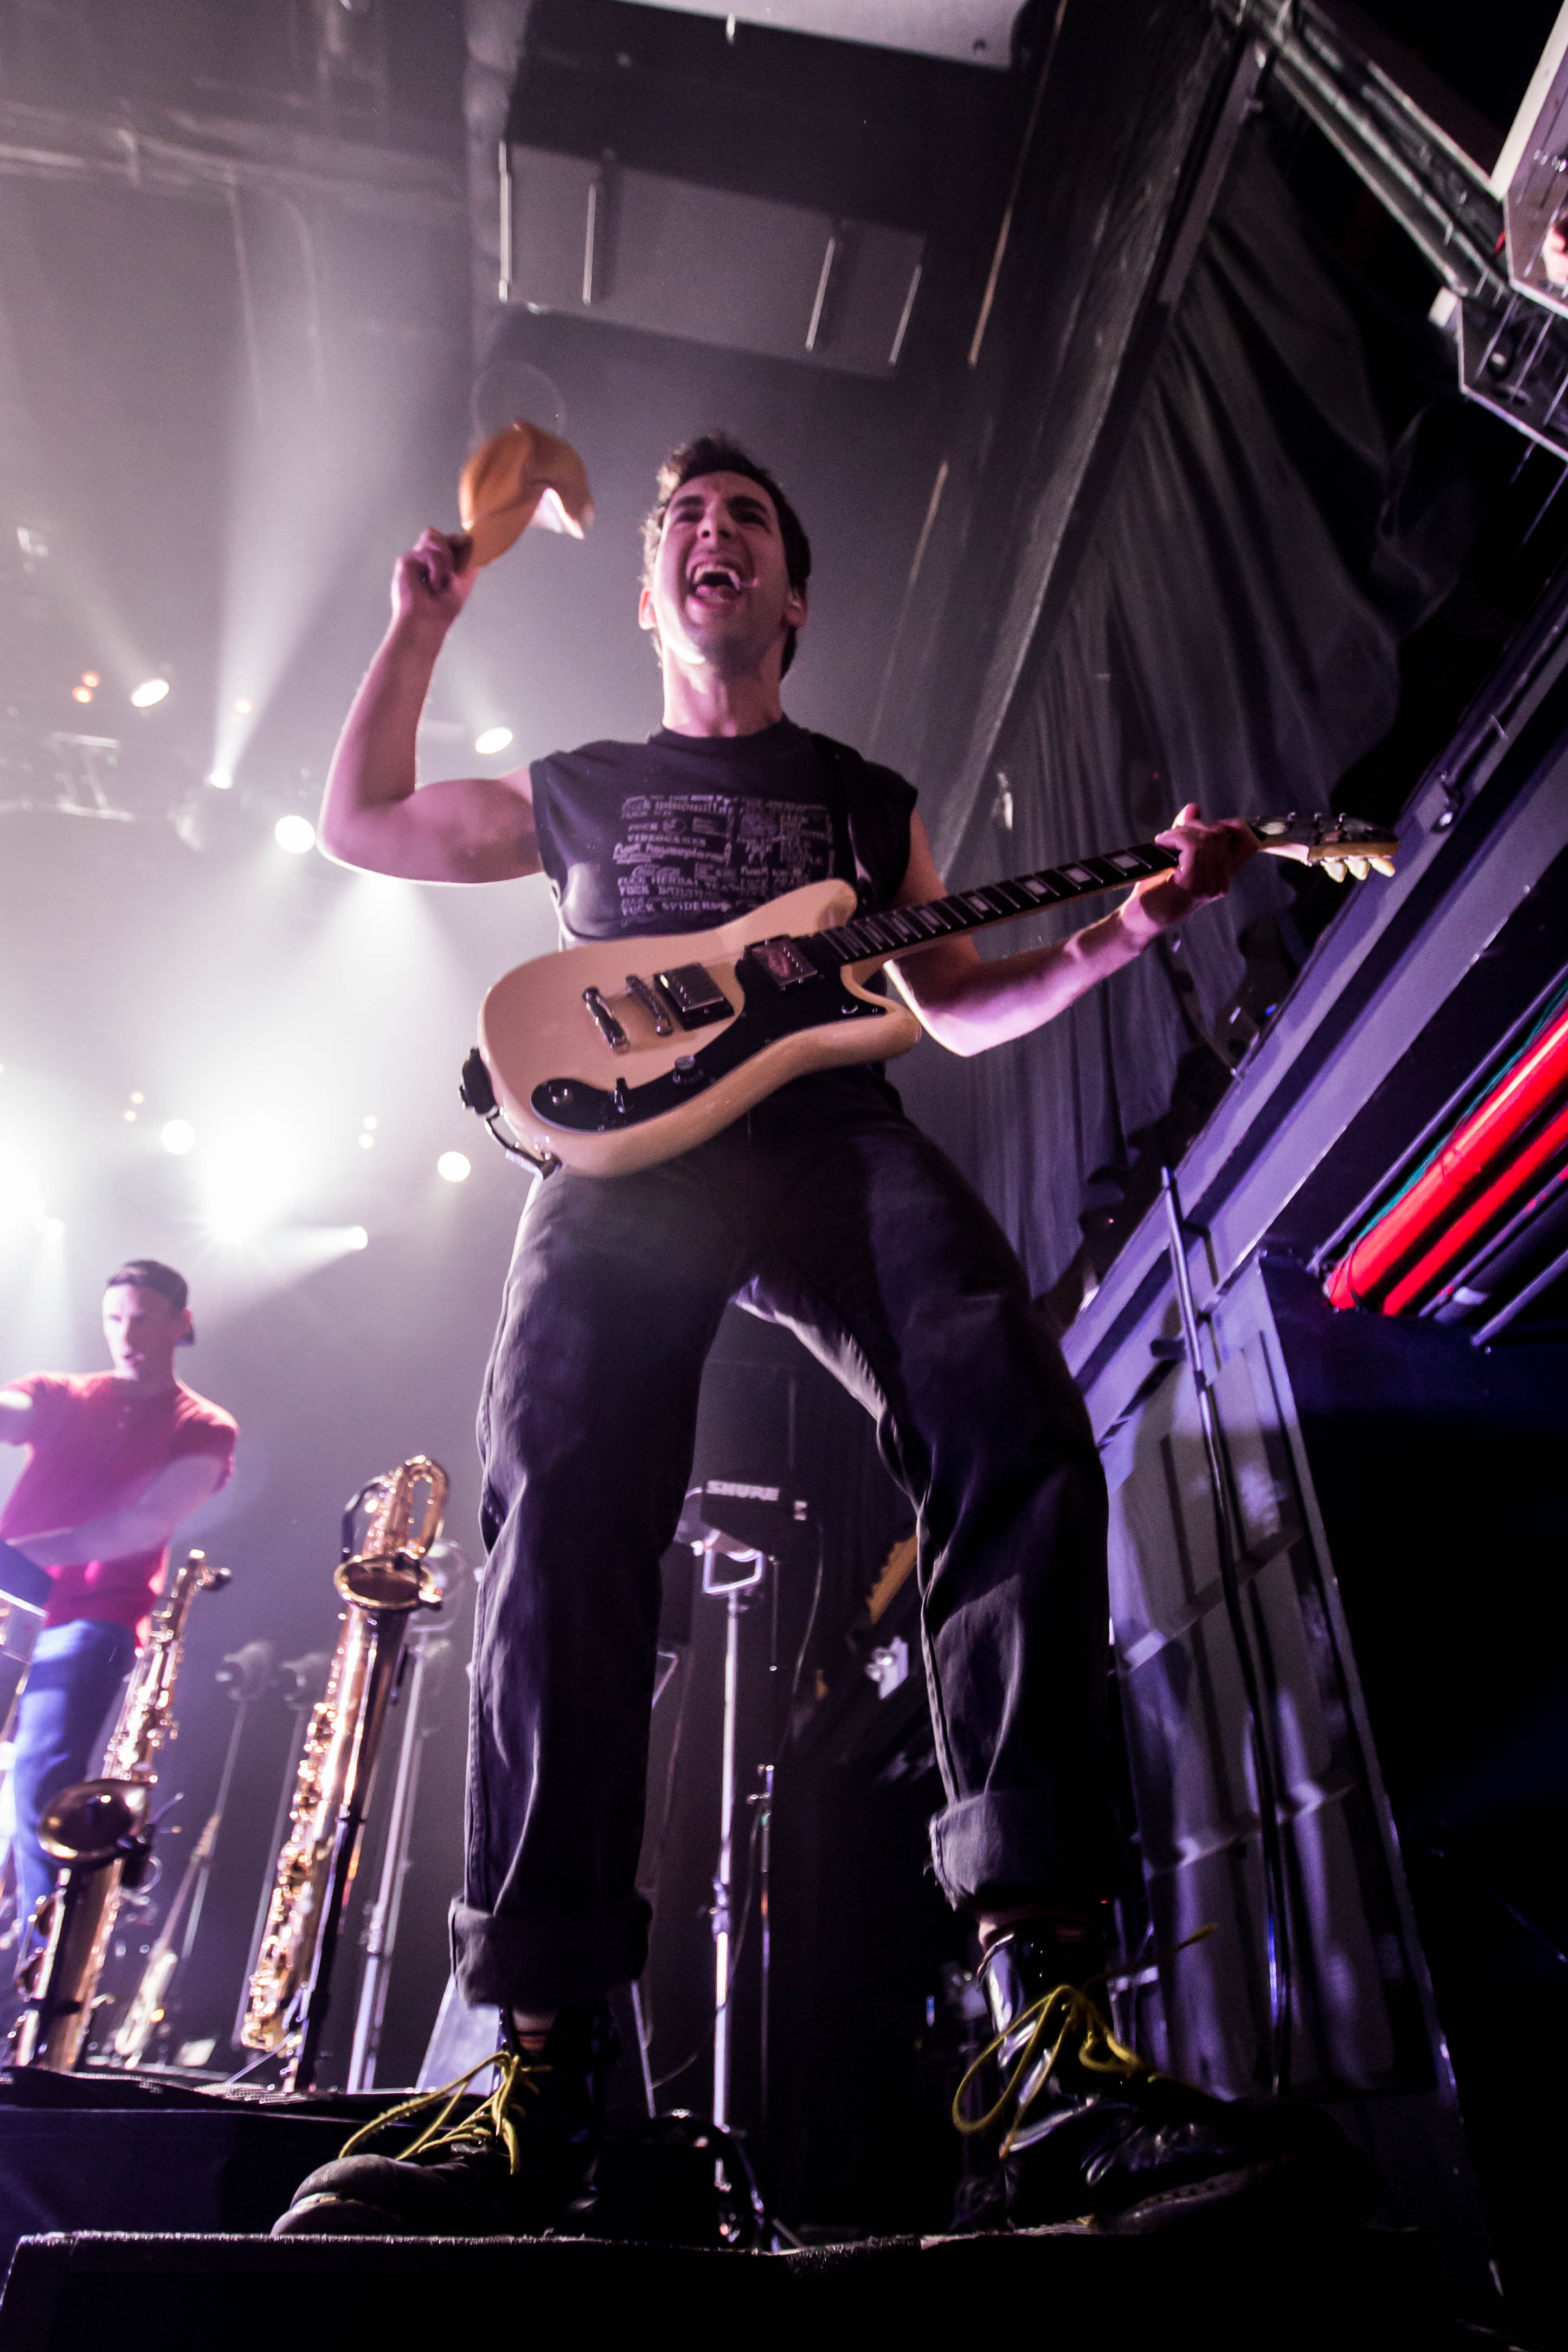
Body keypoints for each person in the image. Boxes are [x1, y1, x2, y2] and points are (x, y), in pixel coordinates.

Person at [275, 435, 1357, 2238]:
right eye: (684, 519)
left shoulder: (864, 800)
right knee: (556, 1493)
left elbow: (960, 1003)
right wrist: (421, 620)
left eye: (748, 521)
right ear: (649, 596)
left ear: (789, 595)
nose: (711, 531)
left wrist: (1131, 925)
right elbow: (370, 820)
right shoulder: (585, 785)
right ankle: (540, 2059)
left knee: (1008, 1409)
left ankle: (1046, 2021)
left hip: (833, 1142)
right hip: (628, 1154)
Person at [0, 1261, 237, 1933]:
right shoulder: (60, 1392)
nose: (125, 1333)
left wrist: (21, 1556)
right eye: (113, 1318)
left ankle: (46, 1972)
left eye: (141, 1318)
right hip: (10, 1606)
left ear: (180, 1324)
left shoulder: (205, 1425)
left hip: (95, 1619)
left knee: (39, 1781)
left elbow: (141, 1525)